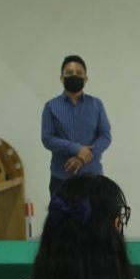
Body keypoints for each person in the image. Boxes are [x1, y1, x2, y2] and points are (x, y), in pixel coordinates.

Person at [41, 55, 112, 194]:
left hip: (93, 176)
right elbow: (47, 138)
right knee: (61, 216)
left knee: (95, 216)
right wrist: (76, 149)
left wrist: (83, 156)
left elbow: (105, 136)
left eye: (79, 73)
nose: (74, 76)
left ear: (86, 79)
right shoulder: (51, 106)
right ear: (61, 78)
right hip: (61, 178)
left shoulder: (96, 104)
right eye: (69, 73)